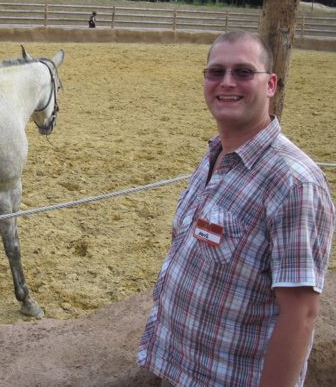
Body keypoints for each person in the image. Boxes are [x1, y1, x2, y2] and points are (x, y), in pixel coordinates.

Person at [138, 30, 335, 387]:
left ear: (271, 84)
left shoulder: (294, 184)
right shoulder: (216, 154)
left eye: (244, 72)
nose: (227, 82)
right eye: (216, 72)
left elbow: (301, 314)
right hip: (179, 371)